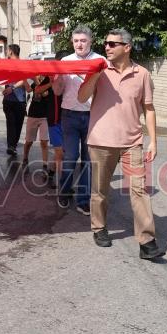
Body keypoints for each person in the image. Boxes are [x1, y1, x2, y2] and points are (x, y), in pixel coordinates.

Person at [78, 28, 163, 260]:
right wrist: (94, 75)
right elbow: (81, 97)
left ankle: (147, 241)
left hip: (132, 143)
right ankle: (99, 228)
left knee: (139, 191)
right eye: (106, 43)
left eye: (113, 44)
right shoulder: (99, 70)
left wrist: (153, 141)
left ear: (127, 47)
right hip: (100, 142)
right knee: (100, 191)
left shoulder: (142, 74)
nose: (107, 47)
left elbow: (149, 108)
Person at [52, 25, 104, 215]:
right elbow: (58, 91)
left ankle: (83, 199)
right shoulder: (65, 61)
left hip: (93, 116)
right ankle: (64, 193)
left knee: (89, 160)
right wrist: (55, 79)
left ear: (90, 41)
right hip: (70, 116)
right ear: (72, 42)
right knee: (70, 157)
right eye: (76, 41)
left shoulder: (101, 61)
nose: (79, 44)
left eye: (83, 40)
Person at [45, 50, 69, 188]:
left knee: (62, 153)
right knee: (60, 153)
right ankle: (64, 184)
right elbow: (36, 90)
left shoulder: (70, 76)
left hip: (67, 119)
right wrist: (51, 82)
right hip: (54, 119)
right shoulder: (50, 75)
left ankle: (51, 172)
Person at [1, 44, 30, 157]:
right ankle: (11, 146)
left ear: (11, 52)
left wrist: (12, 87)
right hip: (8, 100)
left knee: (18, 124)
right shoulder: (6, 65)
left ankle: (13, 145)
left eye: (7, 50)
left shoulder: (23, 64)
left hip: (20, 100)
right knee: (11, 123)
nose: (6, 52)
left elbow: (25, 80)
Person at [21, 75, 51, 169]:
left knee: (44, 141)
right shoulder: (35, 82)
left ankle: (45, 164)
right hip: (33, 115)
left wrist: (36, 80)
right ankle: (25, 157)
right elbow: (29, 90)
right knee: (29, 141)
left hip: (45, 116)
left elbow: (44, 93)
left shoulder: (48, 84)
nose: (40, 76)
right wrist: (24, 79)